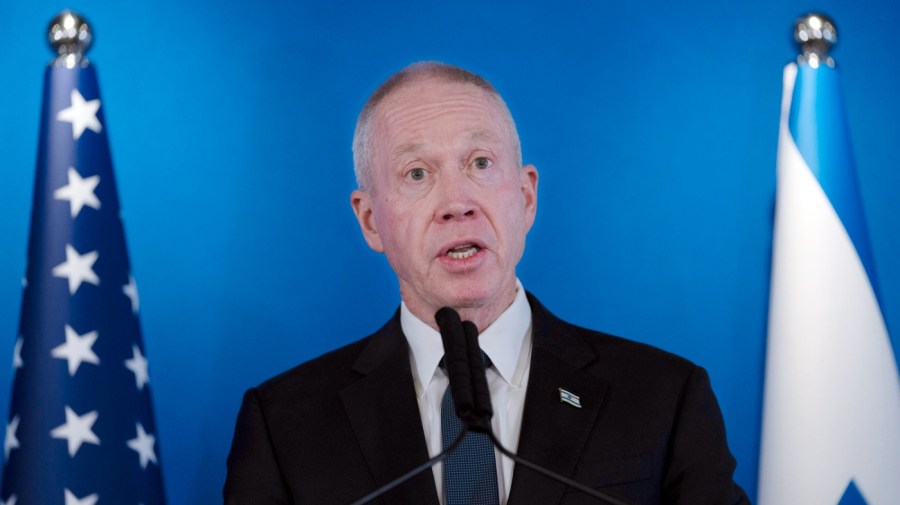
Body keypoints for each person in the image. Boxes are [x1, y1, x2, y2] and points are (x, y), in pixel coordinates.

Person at [224, 62, 749, 505]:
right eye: (416, 174)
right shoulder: (285, 426)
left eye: (480, 163)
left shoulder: (664, 398)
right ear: (369, 220)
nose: (457, 202)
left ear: (524, 198)